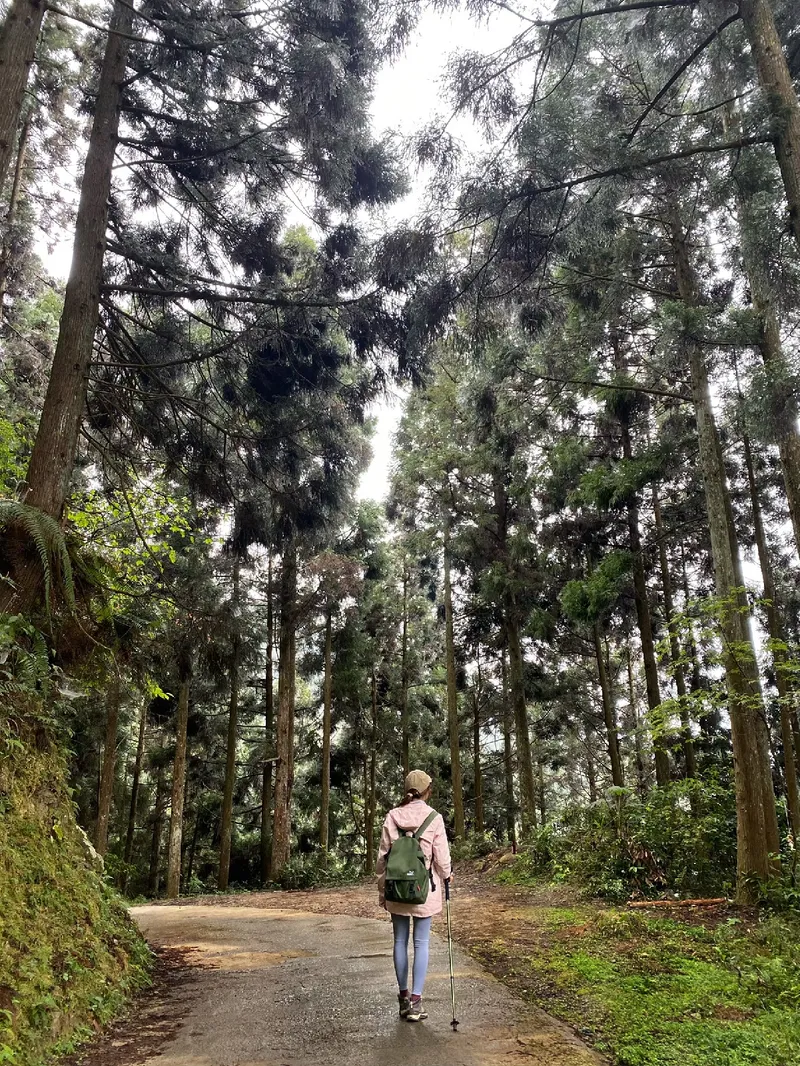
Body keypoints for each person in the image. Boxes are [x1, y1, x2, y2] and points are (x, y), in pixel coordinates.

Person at [376, 769, 452, 1023]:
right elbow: (441, 857)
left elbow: (382, 858)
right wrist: (447, 875)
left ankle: (403, 999)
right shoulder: (434, 818)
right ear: (427, 791)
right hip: (424, 889)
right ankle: (416, 1004)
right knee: (421, 943)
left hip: (396, 889)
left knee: (399, 941)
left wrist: (381, 886)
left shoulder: (392, 816)